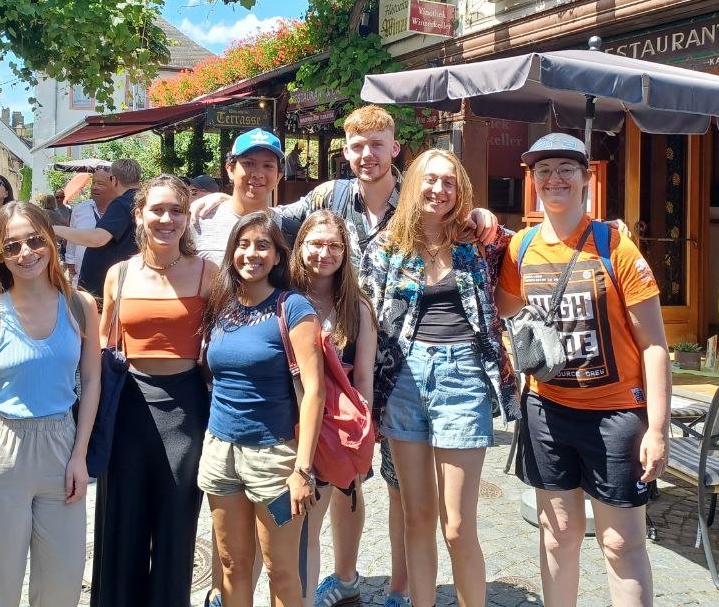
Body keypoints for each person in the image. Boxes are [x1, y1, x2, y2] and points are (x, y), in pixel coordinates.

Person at [194, 106, 500, 607]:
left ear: (394, 148)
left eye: (377, 144)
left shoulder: (422, 195)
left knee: (405, 495)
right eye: (357, 146)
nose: (367, 155)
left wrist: (481, 214)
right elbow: (270, 222)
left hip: (397, 365)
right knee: (347, 484)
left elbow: (478, 245)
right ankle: (345, 576)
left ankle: (401, 590)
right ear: (346, 151)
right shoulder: (329, 195)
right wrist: (219, 200)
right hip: (361, 371)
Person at [497, 133, 670, 607]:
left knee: (620, 543)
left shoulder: (616, 249)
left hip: (615, 415)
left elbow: (654, 345)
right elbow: (506, 308)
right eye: (544, 171)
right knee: (557, 536)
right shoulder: (521, 249)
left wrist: (657, 428)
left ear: (586, 179)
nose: (555, 179)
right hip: (547, 411)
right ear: (533, 182)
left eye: (566, 169)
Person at [362, 148, 516, 607]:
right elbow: (367, 322)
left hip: (462, 378)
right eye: (430, 179)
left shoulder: (479, 241)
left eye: (449, 181)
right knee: (416, 516)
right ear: (412, 185)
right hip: (404, 379)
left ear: (460, 190)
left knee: (457, 525)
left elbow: (536, 243)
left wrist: (610, 229)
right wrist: (367, 398)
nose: (438, 189)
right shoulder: (388, 245)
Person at [0, 201, 101, 607]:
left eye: (35, 241)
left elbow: (91, 381)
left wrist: (80, 455)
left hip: (60, 446)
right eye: (12, 246)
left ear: (51, 242)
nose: (26, 253)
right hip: (0, 451)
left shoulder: (80, 306)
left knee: (61, 585)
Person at [91, 175, 216, 606]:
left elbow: (220, 347)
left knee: (176, 527)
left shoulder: (207, 273)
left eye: (176, 210)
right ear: (139, 214)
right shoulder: (119, 274)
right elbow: (104, 349)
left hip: (187, 410)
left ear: (187, 217)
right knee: (121, 525)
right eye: (157, 209)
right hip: (128, 408)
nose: (166, 219)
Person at [198, 211, 325, 607]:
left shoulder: (293, 307)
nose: (251, 253)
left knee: (281, 571)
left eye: (263, 245)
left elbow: (314, 390)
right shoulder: (221, 303)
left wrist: (302, 469)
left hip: (275, 457)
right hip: (220, 451)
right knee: (233, 565)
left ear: (277, 257)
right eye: (244, 243)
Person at [290, 210, 379, 607]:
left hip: (338, 429)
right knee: (299, 521)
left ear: (345, 252)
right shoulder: (283, 297)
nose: (324, 253)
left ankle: (343, 580)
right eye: (316, 243)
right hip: (291, 424)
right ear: (300, 246)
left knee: (345, 498)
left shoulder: (356, 307)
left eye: (334, 246)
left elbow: (364, 380)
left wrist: (359, 437)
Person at [193, 128, 296, 264]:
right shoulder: (198, 220)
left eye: (267, 166)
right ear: (230, 169)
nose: (258, 173)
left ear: (278, 177)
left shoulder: (290, 231)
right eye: (248, 163)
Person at [55, 158, 143, 298]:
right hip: (124, 283)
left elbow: (97, 239)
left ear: (113, 179)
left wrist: (54, 229)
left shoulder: (122, 203)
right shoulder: (142, 201)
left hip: (104, 290)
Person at [64, 168, 114, 282]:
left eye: (100, 183)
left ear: (114, 185)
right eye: (93, 183)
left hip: (114, 283)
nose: (94, 187)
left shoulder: (123, 212)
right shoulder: (80, 210)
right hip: (83, 281)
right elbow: (72, 242)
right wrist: (72, 267)